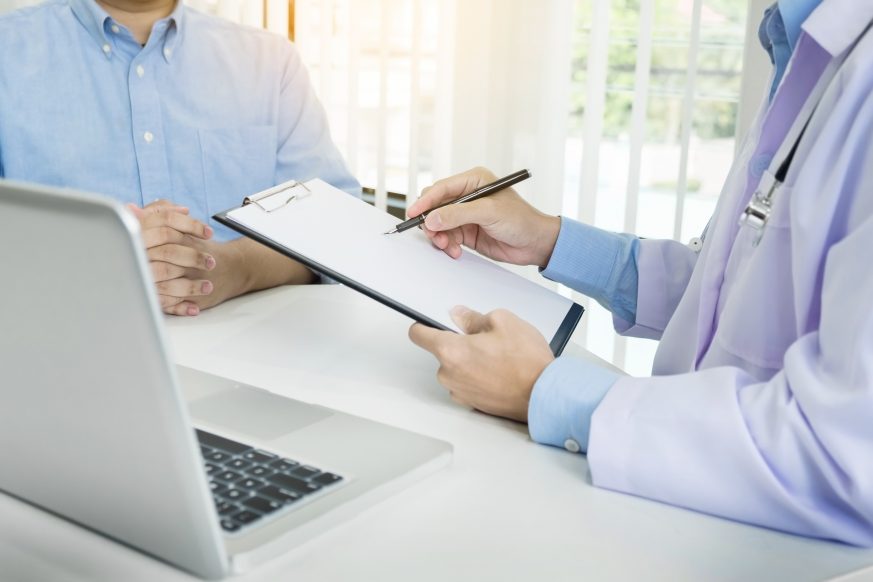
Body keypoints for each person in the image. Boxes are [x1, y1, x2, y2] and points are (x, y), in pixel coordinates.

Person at [407, 0, 873, 546]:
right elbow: (742, 292)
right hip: (684, 518)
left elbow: (846, 453)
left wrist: (546, 388)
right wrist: (547, 238)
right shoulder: (798, 43)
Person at [0, 0, 359, 316]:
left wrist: (236, 268)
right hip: (51, 350)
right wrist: (90, 255)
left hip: (255, 361)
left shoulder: (270, 61)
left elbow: (334, 227)